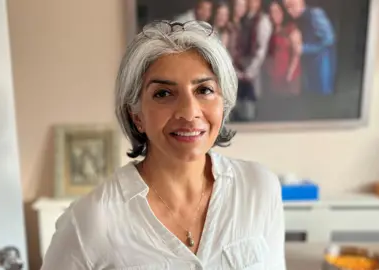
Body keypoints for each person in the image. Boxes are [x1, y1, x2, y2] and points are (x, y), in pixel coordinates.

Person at [40, 20, 285, 270]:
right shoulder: (89, 221)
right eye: (163, 94)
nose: (189, 113)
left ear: (224, 102)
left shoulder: (259, 189)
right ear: (137, 115)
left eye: (204, 89)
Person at [231, 0, 272, 121]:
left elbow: (261, 49)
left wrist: (251, 70)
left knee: (251, 104)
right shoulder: (242, 19)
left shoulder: (263, 20)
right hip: (239, 66)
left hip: (254, 68)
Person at [284, 0, 336, 95]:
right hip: (309, 67)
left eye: (291, 5)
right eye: (287, 7)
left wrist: (304, 48)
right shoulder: (298, 20)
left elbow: (329, 40)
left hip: (321, 66)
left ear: (301, 2)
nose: (289, 10)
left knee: (321, 100)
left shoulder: (316, 14)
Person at [264, 1, 302, 96]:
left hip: (288, 78)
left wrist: (290, 74)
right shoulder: (270, 31)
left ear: (282, 12)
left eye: (277, 11)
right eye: (271, 12)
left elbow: (296, 53)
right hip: (274, 78)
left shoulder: (291, 29)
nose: (274, 15)